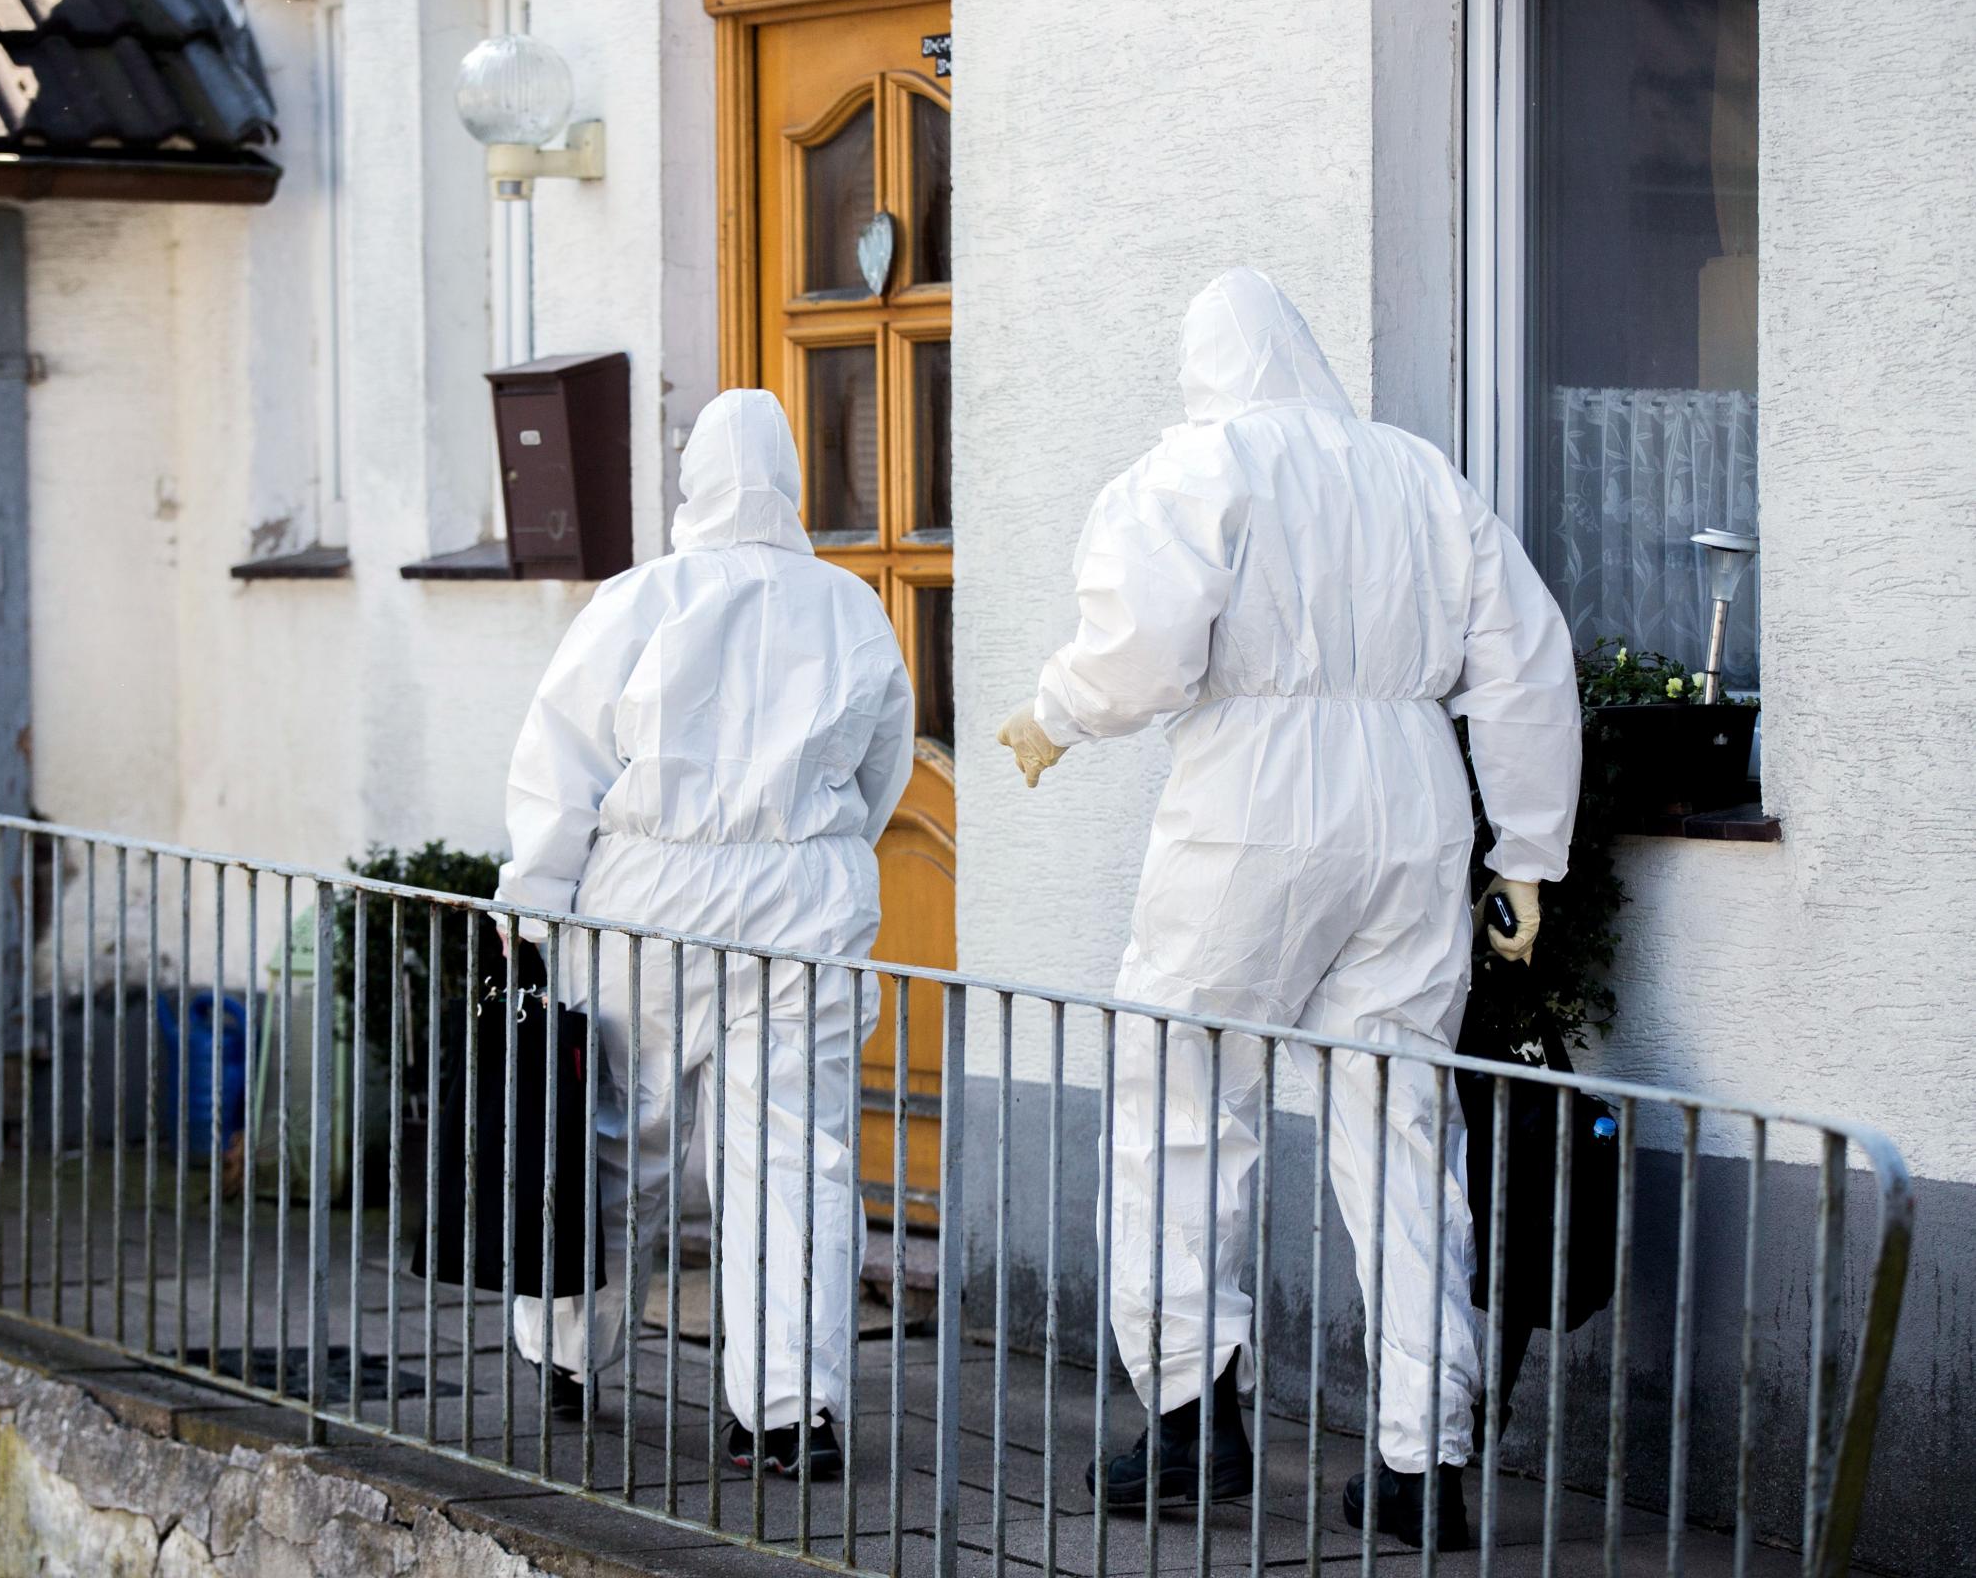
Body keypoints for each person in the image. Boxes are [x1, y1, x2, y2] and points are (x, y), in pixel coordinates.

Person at [995, 268, 1578, 1547]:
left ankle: (1192, 1415)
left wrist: (1054, 713)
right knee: (1404, 1120)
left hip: (1249, 793)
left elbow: (1142, 649)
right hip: (1413, 797)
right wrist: (1527, 850)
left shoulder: (1204, 463)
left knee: (1181, 1094)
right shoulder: (1418, 474)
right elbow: (1525, 662)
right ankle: (1423, 1463)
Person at [498, 386, 916, 1480]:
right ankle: (789, 1410)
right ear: (788, 481)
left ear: (691, 482)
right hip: (802, 898)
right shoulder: (848, 606)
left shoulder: (639, 601)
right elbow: (882, 767)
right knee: (796, 1152)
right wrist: (807, 847)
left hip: (651, 895)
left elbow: (562, 764)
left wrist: (531, 902)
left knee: (618, 1137)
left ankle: (568, 1353)